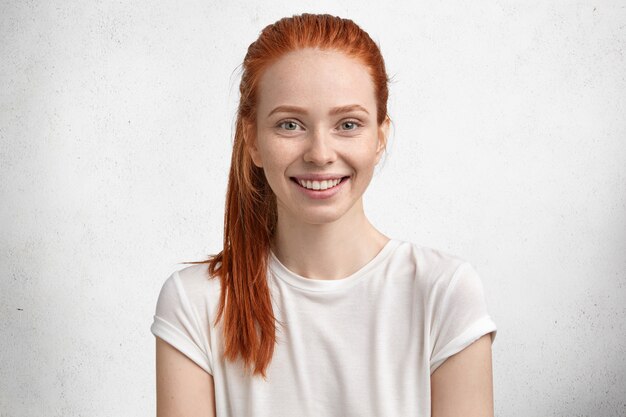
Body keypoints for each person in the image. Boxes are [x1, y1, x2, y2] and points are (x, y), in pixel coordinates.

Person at [150, 13, 497, 417]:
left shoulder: (444, 292)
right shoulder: (196, 302)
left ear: (380, 137)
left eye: (347, 124)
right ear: (253, 141)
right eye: (290, 124)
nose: (319, 153)